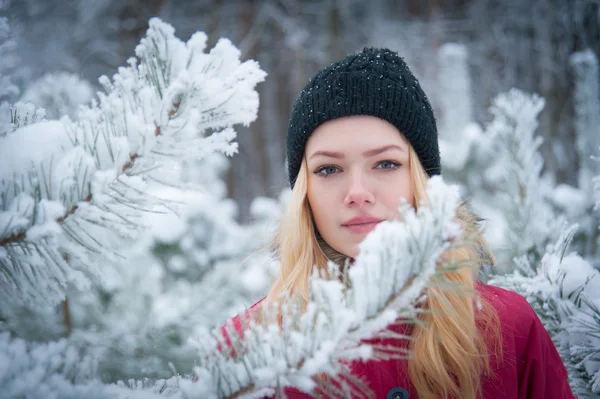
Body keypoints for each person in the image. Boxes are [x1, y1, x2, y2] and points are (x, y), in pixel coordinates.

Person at [222, 47, 575, 399]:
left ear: (421, 180)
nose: (357, 193)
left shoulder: (507, 329)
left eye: (386, 164)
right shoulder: (249, 352)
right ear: (305, 192)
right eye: (328, 169)